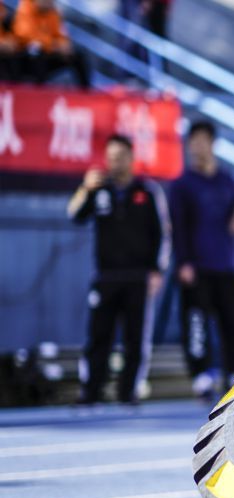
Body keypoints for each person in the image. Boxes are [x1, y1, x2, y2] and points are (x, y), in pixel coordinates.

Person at [67, 134, 168, 405]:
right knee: (99, 334)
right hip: (106, 276)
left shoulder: (147, 192)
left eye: (120, 157)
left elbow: (161, 234)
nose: (115, 163)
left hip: (138, 277)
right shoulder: (99, 190)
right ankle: (91, 390)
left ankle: (128, 391)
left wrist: (157, 271)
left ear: (131, 159)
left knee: (135, 338)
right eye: (111, 158)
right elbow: (75, 215)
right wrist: (84, 189)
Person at [169, 120, 234, 398]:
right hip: (196, 266)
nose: (197, 146)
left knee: (233, 321)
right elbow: (177, 226)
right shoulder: (182, 185)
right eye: (193, 141)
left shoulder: (227, 181)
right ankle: (202, 375)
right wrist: (183, 263)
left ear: (213, 143)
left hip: (225, 263)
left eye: (203, 140)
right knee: (197, 322)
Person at [12, 0, 90, 88]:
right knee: (37, 52)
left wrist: (63, 45)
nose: (49, 2)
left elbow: (61, 35)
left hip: (50, 53)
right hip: (27, 56)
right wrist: (53, 45)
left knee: (79, 54)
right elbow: (25, 35)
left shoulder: (53, 12)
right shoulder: (26, 8)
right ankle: (39, 92)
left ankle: (86, 92)